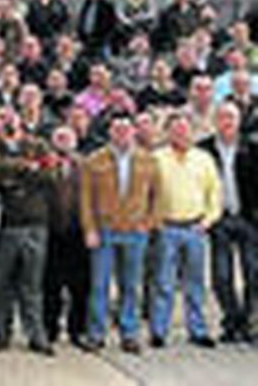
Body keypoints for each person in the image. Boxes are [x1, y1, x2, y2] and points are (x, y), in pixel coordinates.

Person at [78, 115, 159, 354]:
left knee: (130, 286)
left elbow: (158, 196)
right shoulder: (94, 160)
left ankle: (129, 333)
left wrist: (149, 222)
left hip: (135, 231)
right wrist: (90, 228)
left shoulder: (148, 160)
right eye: (117, 129)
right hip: (105, 231)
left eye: (126, 128)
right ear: (110, 132)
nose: (122, 132)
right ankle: (96, 334)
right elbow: (86, 199)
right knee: (100, 285)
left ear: (134, 132)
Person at [0, 107, 58, 355]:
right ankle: (1, 334)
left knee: (32, 286)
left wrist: (14, 176)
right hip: (6, 225)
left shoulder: (38, 145)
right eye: (1, 117)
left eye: (10, 117)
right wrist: (27, 168)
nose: (7, 121)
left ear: (20, 120)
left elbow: (50, 174)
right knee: (2, 284)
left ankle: (36, 335)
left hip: (35, 223)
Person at [149, 111, 222, 348]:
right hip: (166, 228)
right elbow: (146, 193)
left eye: (184, 128)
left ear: (191, 131)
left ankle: (198, 330)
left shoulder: (204, 158)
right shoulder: (156, 158)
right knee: (163, 282)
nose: (180, 133)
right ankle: (159, 331)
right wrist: (153, 220)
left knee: (195, 283)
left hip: (195, 228)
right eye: (175, 129)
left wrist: (207, 221)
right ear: (167, 132)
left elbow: (215, 194)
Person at [200, 102, 258, 343]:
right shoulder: (203, 150)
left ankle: (248, 322)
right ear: (215, 121)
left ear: (239, 121)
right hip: (219, 219)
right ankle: (231, 320)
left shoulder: (253, 148)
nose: (227, 122)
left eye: (231, 117)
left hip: (248, 219)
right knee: (221, 276)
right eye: (222, 117)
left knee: (253, 273)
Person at [43, 125, 91, 349]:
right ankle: (49, 330)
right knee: (50, 285)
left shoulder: (86, 165)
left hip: (78, 233)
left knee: (80, 286)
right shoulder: (45, 163)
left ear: (75, 141)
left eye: (67, 137)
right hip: (51, 232)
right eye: (59, 137)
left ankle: (77, 330)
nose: (63, 141)